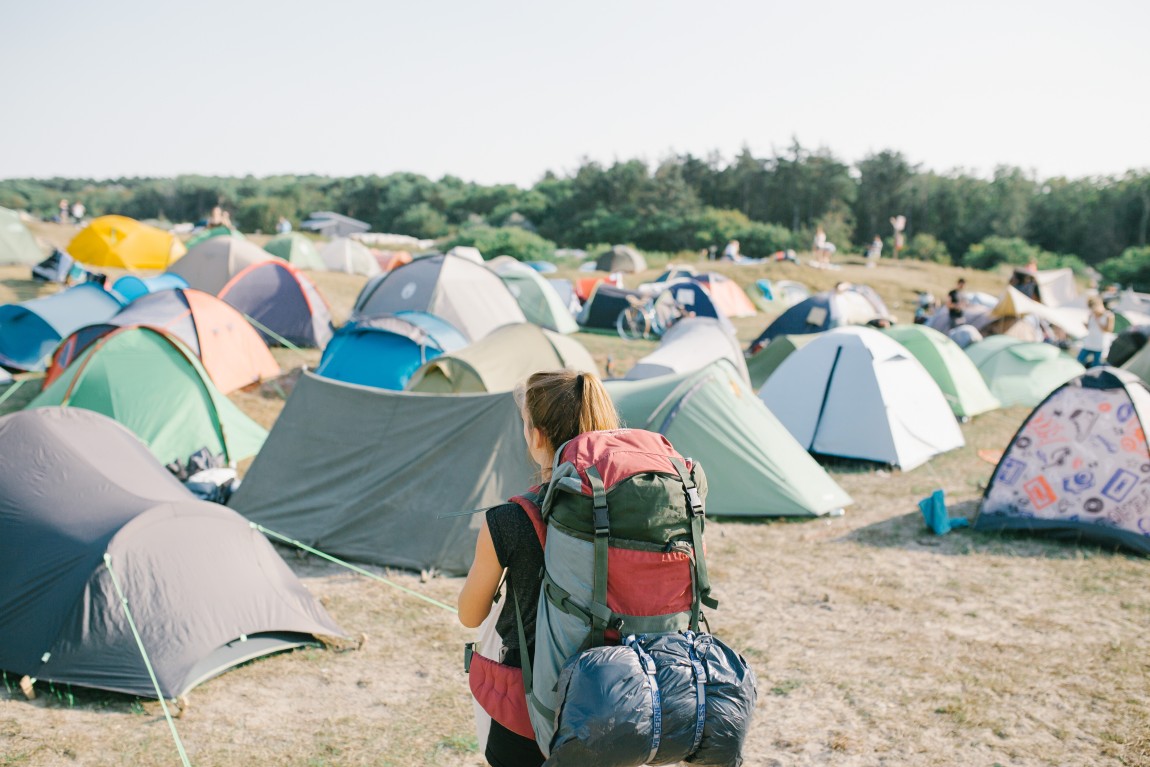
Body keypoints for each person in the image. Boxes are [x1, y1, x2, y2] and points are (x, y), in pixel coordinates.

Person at [458, 370, 620, 767]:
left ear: (537, 436)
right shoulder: (632, 508)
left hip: (527, 709)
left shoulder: (508, 519)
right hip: (619, 694)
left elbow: (470, 614)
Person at [1077, 295, 1114, 368]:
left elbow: (1109, 330)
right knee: (1079, 360)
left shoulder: (1109, 315)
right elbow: (1090, 328)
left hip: (1099, 345)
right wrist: (1086, 325)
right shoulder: (1091, 315)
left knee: (1096, 365)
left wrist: (1098, 321)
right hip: (1089, 342)